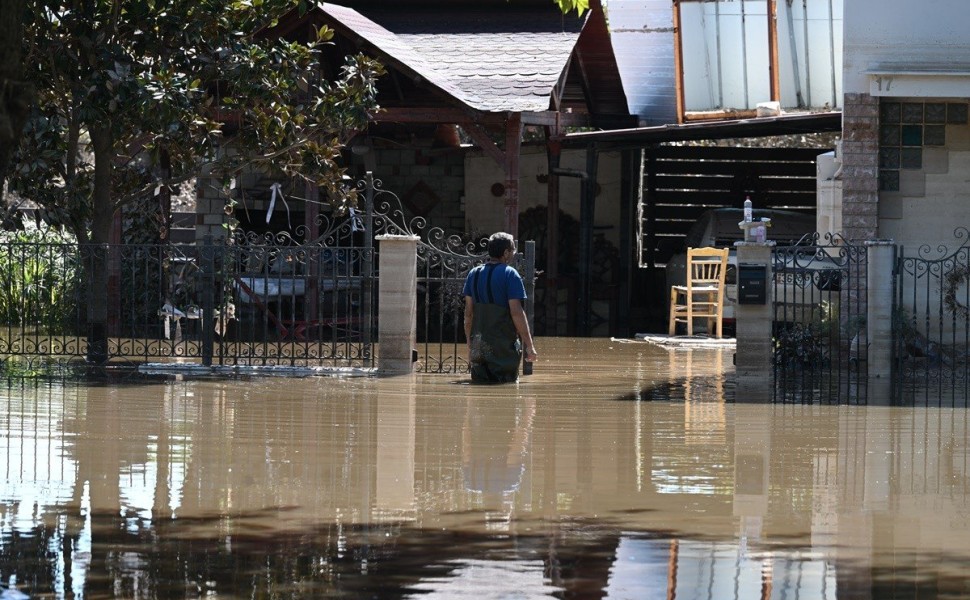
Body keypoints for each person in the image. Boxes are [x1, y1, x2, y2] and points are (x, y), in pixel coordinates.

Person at [462, 232, 538, 383]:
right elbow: (516, 313)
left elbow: (468, 314)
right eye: (513, 250)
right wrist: (529, 345)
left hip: (479, 346)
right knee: (506, 390)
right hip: (502, 348)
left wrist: (470, 344)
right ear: (506, 253)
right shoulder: (510, 274)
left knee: (478, 390)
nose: (514, 253)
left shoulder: (473, 274)